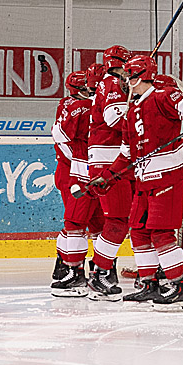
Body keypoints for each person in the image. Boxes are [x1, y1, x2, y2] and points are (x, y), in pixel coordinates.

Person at [87, 55, 183, 311]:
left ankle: (177, 285)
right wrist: (110, 177)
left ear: (138, 77)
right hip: (144, 179)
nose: (125, 82)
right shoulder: (132, 109)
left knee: (162, 233)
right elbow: (126, 152)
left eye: (128, 77)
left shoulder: (162, 96)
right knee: (139, 231)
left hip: (167, 177)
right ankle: (149, 284)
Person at [84, 46, 134, 300]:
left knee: (123, 220)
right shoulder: (112, 83)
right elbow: (114, 118)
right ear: (121, 64)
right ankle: (99, 274)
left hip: (113, 161)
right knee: (117, 221)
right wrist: (139, 114)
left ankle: (103, 272)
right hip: (109, 162)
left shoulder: (112, 83)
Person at [49, 70, 103, 296]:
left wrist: (81, 162)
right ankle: (92, 270)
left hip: (81, 170)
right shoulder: (77, 106)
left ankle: (74, 268)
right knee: (89, 223)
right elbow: (60, 136)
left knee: (81, 222)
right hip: (89, 170)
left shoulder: (73, 106)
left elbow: (58, 134)